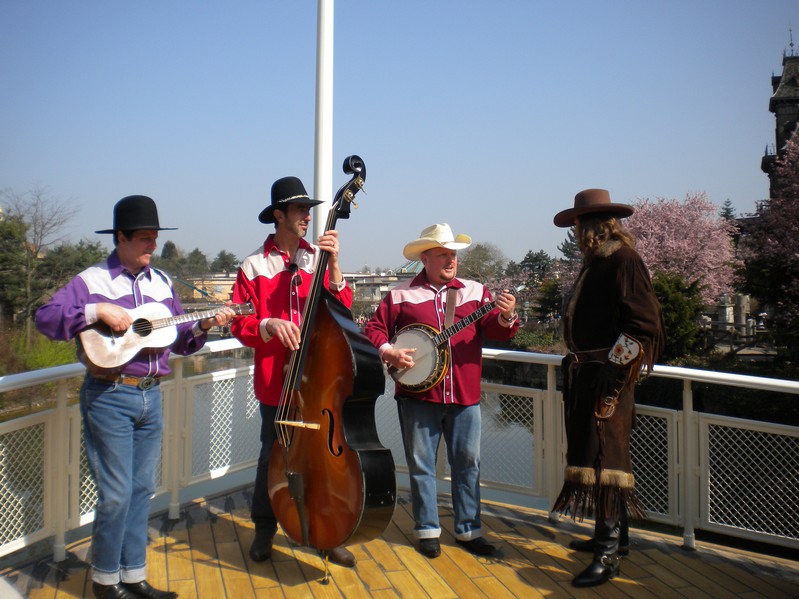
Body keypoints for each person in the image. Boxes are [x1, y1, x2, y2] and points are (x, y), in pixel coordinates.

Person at [35, 195, 236, 599]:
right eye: (144, 238)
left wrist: (206, 326)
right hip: (109, 395)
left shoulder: (162, 283)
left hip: (151, 396)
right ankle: (105, 580)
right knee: (114, 495)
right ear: (121, 238)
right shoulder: (92, 282)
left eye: (154, 239)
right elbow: (46, 318)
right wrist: (96, 312)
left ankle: (134, 576)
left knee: (142, 489)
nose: (151, 246)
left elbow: (178, 342)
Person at [364, 223, 519, 559]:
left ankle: (468, 529)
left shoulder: (476, 292)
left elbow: (496, 330)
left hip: (465, 395)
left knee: (468, 464)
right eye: (443, 255)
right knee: (421, 465)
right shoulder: (400, 293)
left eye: (453, 255)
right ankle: (428, 529)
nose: (451, 261)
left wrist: (506, 317)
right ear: (426, 259)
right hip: (418, 396)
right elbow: (373, 328)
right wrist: (389, 350)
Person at [230, 176, 357, 568]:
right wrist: (267, 325)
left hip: (319, 382)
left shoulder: (316, 258)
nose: (307, 217)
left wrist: (334, 267)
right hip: (276, 385)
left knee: (321, 459)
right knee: (274, 457)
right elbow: (238, 323)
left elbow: (344, 311)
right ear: (279, 214)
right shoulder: (252, 265)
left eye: (308, 210)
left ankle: (326, 532)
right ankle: (265, 529)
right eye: (300, 210)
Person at [551, 189, 665, 588]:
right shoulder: (597, 262)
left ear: (592, 225)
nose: (575, 231)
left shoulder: (623, 260)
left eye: (578, 224)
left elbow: (642, 325)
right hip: (588, 374)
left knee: (607, 460)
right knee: (597, 458)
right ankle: (616, 539)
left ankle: (608, 553)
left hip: (607, 379)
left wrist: (614, 378)